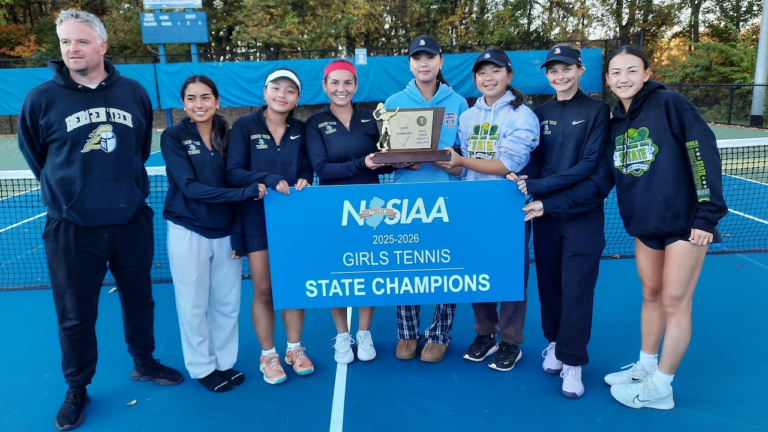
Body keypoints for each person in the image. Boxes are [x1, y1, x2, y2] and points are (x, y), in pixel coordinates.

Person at [522, 46, 727, 409]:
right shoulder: (618, 119)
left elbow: (701, 151)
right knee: (651, 295)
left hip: (686, 223)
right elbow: (606, 175)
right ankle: (646, 367)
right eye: (616, 73)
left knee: (675, 301)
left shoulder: (670, 103)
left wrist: (706, 215)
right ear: (607, 78)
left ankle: (661, 387)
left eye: (631, 71)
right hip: (645, 224)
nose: (623, 79)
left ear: (647, 73)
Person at [16, 9, 183, 431]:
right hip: (70, 229)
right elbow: (37, 157)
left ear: (103, 45)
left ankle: (144, 363)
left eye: (82, 41)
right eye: (66, 42)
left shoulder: (133, 92)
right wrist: (71, 195)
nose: (72, 49)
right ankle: (77, 387)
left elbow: (139, 150)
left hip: (130, 221)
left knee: (140, 299)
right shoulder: (41, 99)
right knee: (74, 314)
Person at [512, 45, 610, 398]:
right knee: (549, 287)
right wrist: (523, 181)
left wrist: (540, 187)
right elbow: (535, 162)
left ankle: (573, 362)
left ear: (580, 70)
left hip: (583, 217)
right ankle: (555, 344)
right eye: (553, 70)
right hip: (545, 216)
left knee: (577, 291)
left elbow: (589, 166)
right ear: (547, 75)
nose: (560, 75)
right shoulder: (539, 113)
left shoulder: (599, 110)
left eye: (566, 68)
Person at [434, 48, 539, 371]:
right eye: (481, 73)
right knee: (475, 273)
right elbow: (463, 170)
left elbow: (509, 163)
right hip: (473, 207)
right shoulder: (467, 116)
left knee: (508, 276)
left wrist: (461, 160)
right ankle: (485, 333)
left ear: (509, 75)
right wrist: (442, 161)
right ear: (475, 78)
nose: (488, 78)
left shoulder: (523, 116)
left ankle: (510, 340)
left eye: (495, 71)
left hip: (508, 208)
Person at [162, 75, 266, 392]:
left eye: (205, 97)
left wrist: (237, 233)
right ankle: (202, 367)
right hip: (186, 229)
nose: (199, 104)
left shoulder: (228, 134)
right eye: (192, 98)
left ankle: (224, 362)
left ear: (217, 101)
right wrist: (245, 194)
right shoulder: (173, 137)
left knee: (227, 304)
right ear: (184, 103)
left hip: (225, 233)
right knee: (193, 304)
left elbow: (235, 179)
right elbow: (190, 188)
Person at [226, 67, 315, 385]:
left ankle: (294, 349)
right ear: (264, 92)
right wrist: (268, 179)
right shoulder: (243, 126)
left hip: (291, 220)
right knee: (264, 289)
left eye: (289, 91)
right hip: (255, 218)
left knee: (292, 286)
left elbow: (305, 167)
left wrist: (305, 177)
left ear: (297, 98)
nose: (282, 95)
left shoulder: (302, 129)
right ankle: (269, 355)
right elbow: (233, 172)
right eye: (276, 88)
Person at [384, 35, 469, 363]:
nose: (424, 63)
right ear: (410, 64)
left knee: (445, 264)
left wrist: (452, 162)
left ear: (440, 61)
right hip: (406, 200)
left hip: (448, 198)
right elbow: (388, 153)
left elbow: (465, 153)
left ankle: (439, 333)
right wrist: (401, 159)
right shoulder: (394, 101)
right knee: (406, 264)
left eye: (430, 57)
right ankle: (407, 332)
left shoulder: (458, 103)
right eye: (417, 58)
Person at [305, 59, 395, 364]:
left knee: (369, 268)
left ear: (356, 86)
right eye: (335, 83)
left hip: (372, 205)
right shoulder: (315, 123)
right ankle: (342, 335)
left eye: (347, 83)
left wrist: (407, 159)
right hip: (335, 206)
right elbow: (322, 169)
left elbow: (387, 157)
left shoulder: (372, 118)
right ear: (325, 86)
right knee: (338, 271)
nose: (341, 89)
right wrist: (362, 164)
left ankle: (364, 332)